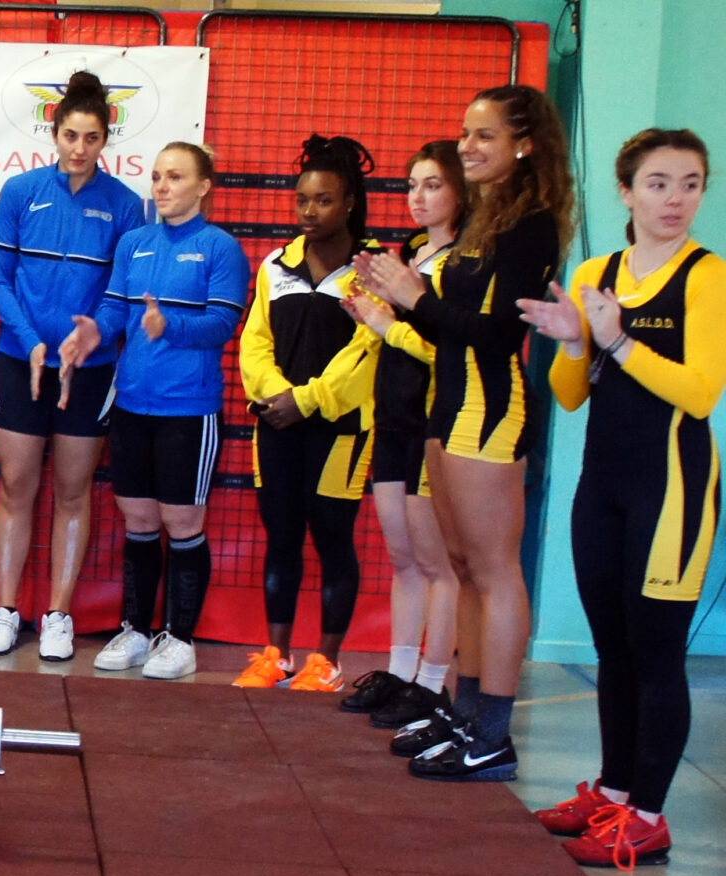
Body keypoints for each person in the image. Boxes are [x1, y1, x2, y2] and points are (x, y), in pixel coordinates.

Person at [353, 84, 574, 783]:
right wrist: (399, 299)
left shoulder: (530, 223)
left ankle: (494, 735)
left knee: (494, 570)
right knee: (465, 568)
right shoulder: (485, 217)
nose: (468, 147)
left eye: (484, 135)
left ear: (524, 145)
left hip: (489, 410)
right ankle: (467, 711)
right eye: (465, 133)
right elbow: (447, 326)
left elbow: (499, 333)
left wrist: (415, 297)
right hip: (446, 408)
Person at [519, 128, 716, 868]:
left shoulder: (705, 276)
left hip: (672, 488)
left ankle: (650, 819)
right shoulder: (597, 272)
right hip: (602, 485)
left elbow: (699, 393)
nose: (675, 199)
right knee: (613, 647)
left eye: (691, 184)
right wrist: (576, 341)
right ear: (626, 191)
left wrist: (619, 340)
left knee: (657, 653)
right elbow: (572, 396)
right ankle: (614, 792)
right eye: (659, 183)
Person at [0, 70, 145, 660]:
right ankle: (4, 611)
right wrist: (31, 341)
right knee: (16, 487)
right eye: (71, 136)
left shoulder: (126, 206)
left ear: (106, 140)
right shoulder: (20, 192)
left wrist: (88, 336)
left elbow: (123, 293)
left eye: (91, 138)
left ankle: (58, 616)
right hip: (19, 363)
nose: (79, 148)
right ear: (54, 134)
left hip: (91, 370)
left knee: (74, 493)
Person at [81, 143, 249, 680]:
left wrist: (168, 325)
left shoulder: (220, 248)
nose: (162, 186)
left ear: (204, 186)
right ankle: (135, 630)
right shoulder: (134, 243)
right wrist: (95, 331)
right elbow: (114, 306)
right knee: (138, 519)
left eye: (175, 177)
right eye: (156, 176)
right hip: (132, 402)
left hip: (188, 408)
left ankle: (179, 639)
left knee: (181, 522)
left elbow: (222, 325)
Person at [229, 135, 381, 691]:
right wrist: (277, 396)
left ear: (349, 203)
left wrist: (308, 399)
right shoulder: (276, 265)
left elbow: (367, 350)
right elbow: (254, 343)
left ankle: (327, 661)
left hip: (341, 431)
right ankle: (277, 655)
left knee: (333, 539)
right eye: (302, 200)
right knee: (282, 538)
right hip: (276, 425)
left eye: (323, 200)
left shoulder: (373, 270)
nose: (309, 211)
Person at [333, 142, 465, 729]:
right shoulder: (412, 251)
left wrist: (391, 326)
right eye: (412, 184)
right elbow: (393, 328)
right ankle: (401, 672)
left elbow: (451, 349)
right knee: (403, 558)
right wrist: (371, 309)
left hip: (434, 420)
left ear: (461, 190)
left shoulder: (465, 262)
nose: (418, 196)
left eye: (433, 184)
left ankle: (433, 683)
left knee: (439, 564)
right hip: (391, 416)